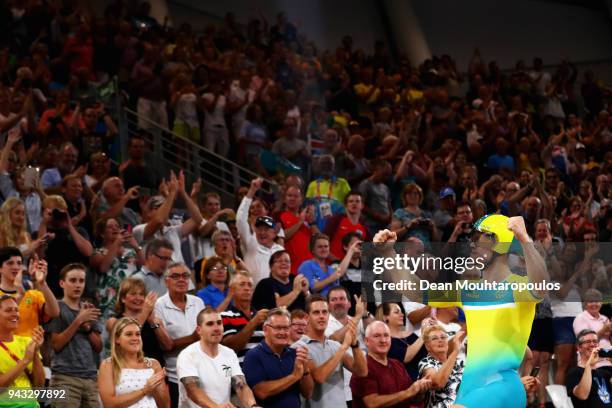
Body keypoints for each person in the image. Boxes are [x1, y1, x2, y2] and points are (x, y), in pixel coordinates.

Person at [374, 214, 548, 408]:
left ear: (500, 243)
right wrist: (388, 253)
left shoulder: (518, 287)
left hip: (502, 385)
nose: (472, 246)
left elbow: (542, 284)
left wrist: (524, 238)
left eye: (478, 240)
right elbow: (416, 292)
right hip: (469, 388)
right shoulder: (467, 289)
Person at [292, 294, 368, 408]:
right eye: (316, 312)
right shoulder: (299, 347)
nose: (321, 316)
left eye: (325, 312)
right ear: (307, 318)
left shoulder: (335, 346)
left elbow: (362, 372)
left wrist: (355, 345)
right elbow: (319, 377)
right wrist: (343, 347)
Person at [177, 307, 262, 408]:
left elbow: (241, 386)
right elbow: (193, 391)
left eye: (219, 323)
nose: (216, 328)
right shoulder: (187, 355)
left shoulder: (229, 353)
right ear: (199, 330)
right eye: (210, 324)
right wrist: (216, 407)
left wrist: (253, 405)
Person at [45, 263, 103, 408]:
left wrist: (88, 328)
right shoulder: (56, 308)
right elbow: (56, 345)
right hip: (64, 378)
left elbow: (99, 347)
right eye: (73, 280)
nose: (78, 285)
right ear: (62, 283)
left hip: (90, 378)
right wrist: (78, 321)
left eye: (81, 281)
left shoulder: (88, 309)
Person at [154, 262, 205, 408]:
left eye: (185, 276)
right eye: (175, 276)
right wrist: (193, 338)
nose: (181, 279)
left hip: (202, 371)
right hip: (176, 376)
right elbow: (166, 345)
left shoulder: (198, 302)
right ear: (166, 281)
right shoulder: (159, 305)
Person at [350, 321, 432, 408]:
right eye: (377, 336)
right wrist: (408, 392)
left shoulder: (397, 364)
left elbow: (413, 399)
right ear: (366, 341)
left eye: (386, 335)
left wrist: (421, 390)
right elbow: (372, 403)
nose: (383, 340)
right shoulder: (363, 368)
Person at [244, 308, 314, 407]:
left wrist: (305, 370)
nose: (282, 332)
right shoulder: (253, 355)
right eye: (277, 328)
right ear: (265, 329)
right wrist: (294, 376)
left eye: (286, 328)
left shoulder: (295, 354)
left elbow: (308, 394)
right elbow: (261, 392)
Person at [98, 317, 170, 408]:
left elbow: (164, 406)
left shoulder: (153, 364)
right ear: (117, 339)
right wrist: (144, 390)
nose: (135, 338)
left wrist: (156, 388)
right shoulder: (108, 365)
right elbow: (109, 404)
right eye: (129, 334)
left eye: (138, 334)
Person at [106, 278, 173, 367]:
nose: (138, 298)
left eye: (141, 294)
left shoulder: (154, 319)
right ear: (123, 298)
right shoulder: (113, 321)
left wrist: (153, 323)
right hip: (128, 371)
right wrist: (144, 313)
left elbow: (168, 346)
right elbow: (123, 344)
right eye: (133, 294)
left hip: (155, 370)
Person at [324, 287, 372, 405]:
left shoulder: (359, 319)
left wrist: (364, 314)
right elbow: (335, 339)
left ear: (350, 303)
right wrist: (358, 316)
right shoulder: (323, 323)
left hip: (369, 382)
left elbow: (375, 332)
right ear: (328, 305)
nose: (338, 302)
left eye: (342, 299)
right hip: (345, 389)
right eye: (334, 300)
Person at [90, 217, 144, 318]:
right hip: (108, 304)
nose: (115, 228)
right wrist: (116, 243)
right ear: (102, 234)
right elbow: (103, 268)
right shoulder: (98, 253)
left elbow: (144, 268)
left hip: (131, 302)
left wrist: (137, 247)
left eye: (117, 226)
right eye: (110, 227)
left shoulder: (131, 252)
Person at [0, 247, 59, 336]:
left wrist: (42, 283)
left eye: (19, 263)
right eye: (10, 263)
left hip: (32, 348)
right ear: (0, 268)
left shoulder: (33, 295)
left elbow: (54, 312)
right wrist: (20, 295)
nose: (16, 267)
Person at [237, 178, 284, 285]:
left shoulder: (280, 250)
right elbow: (240, 220)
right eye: (259, 229)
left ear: (274, 232)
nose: (262, 233)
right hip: (254, 295)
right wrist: (251, 191)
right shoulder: (250, 243)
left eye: (266, 229)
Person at [0, 295, 45, 407]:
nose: (15, 314)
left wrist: (35, 353)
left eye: (17, 310)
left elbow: (39, 387)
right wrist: (25, 361)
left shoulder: (27, 342)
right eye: (8, 310)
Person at [221, 271, 266, 364]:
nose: (247, 288)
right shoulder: (225, 316)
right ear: (232, 290)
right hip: (241, 368)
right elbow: (232, 347)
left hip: (266, 366)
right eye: (242, 284)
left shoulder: (262, 316)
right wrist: (253, 323)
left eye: (250, 285)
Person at [418, 325, 466, 408]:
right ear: (427, 346)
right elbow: (438, 383)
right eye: (434, 338)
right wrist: (455, 351)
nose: (440, 340)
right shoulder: (426, 363)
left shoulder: (460, 362)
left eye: (443, 337)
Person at [376, 302, 426, 381]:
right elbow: (405, 357)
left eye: (401, 311)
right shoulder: (384, 341)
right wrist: (424, 334)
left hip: (425, 382)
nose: (402, 314)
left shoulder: (411, 335)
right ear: (385, 317)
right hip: (404, 387)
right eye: (396, 312)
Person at [565, 329, 612, 408]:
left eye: (595, 341)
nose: (592, 344)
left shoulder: (605, 373)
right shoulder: (574, 372)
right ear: (579, 347)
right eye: (588, 342)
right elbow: (582, 395)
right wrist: (589, 365)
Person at [278, 185, 317, 274]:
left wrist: (312, 222)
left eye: (296, 196)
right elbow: (281, 236)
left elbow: (319, 239)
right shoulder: (279, 216)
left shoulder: (307, 218)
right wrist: (299, 222)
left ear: (301, 200)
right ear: (284, 199)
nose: (292, 198)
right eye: (289, 195)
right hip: (292, 270)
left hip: (311, 268)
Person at [573, 289, 611, 369]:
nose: (594, 304)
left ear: (601, 303)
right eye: (590, 301)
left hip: (609, 361)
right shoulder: (580, 318)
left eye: (597, 301)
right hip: (592, 364)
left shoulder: (604, 318)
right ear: (585, 304)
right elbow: (584, 342)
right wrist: (604, 329)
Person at [324, 191, 367, 261]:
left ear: (362, 205)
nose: (354, 203)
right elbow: (323, 242)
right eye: (351, 201)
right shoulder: (337, 220)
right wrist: (336, 261)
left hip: (352, 269)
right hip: (333, 265)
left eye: (357, 201)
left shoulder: (364, 228)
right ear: (346, 205)